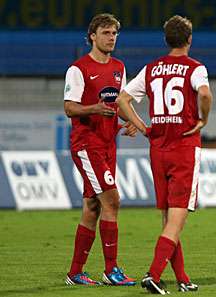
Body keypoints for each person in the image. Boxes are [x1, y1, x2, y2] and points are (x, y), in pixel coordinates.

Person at [116, 15, 213, 294]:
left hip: (158, 149)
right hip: (183, 148)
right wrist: (203, 119)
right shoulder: (195, 68)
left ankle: (182, 278)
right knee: (177, 219)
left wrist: (143, 127)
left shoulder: (151, 69)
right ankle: (154, 275)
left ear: (166, 39)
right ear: (189, 39)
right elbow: (205, 95)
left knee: (168, 218)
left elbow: (122, 99)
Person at [63, 13, 137, 286]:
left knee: (93, 206)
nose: (111, 38)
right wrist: (94, 108)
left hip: (108, 144)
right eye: (106, 33)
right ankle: (111, 269)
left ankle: (75, 273)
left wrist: (127, 122)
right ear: (92, 36)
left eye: (114, 33)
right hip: (87, 144)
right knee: (112, 200)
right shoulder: (79, 69)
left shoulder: (119, 67)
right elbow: (69, 107)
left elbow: (121, 102)